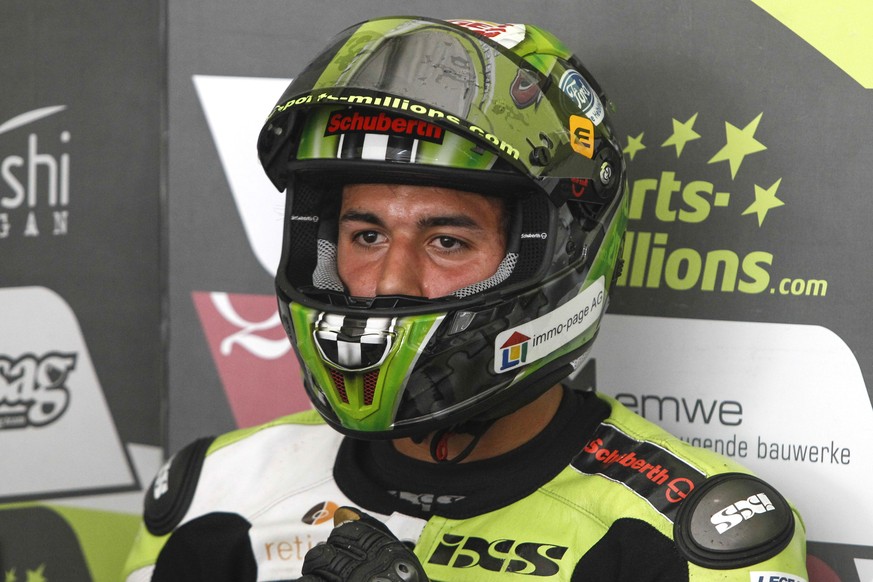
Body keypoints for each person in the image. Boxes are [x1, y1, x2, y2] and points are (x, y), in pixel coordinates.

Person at [123, 16, 808, 581]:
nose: (389, 280)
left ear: (558, 254)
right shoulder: (212, 490)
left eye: (446, 241)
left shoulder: (695, 529)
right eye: (364, 234)